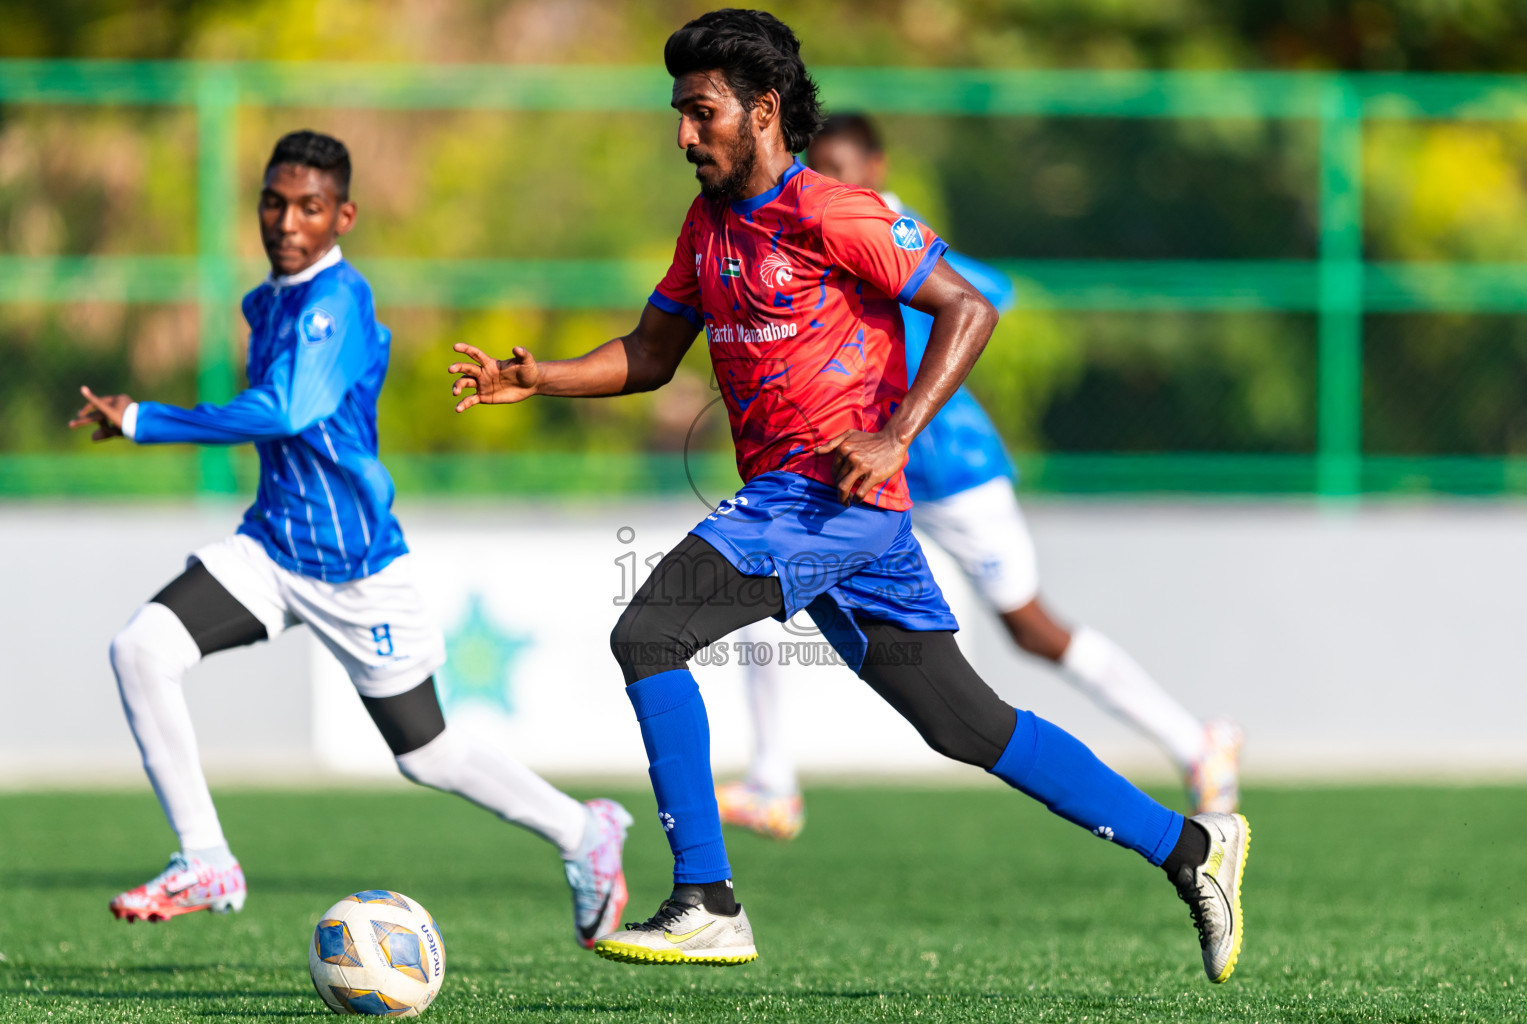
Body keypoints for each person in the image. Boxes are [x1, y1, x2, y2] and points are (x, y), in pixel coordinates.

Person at [447, 10, 1249, 984]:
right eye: (678, 114)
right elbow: (653, 356)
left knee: (650, 633)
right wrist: (542, 379)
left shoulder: (833, 211)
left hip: (825, 502)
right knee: (969, 725)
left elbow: (971, 305)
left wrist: (897, 431)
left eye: (701, 113)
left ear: (765, 110)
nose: (683, 136)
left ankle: (707, 897)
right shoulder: (707, 227)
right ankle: (1193, 848)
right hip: (821, 518)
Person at [70, 130, 631, 950]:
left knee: (426, 753)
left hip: (354, 566)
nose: (287, 221)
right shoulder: (269, 299)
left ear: (344, 216)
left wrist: (145, 419)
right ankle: (206, 861)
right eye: (274, 201)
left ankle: (584, 833)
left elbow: (288, 410)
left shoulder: (338, 301)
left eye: (310, 207)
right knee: (141, 649)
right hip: (269, 548)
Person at [715, 114, 1242, 841]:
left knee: (1030, 627)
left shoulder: (884, 226)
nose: (830, 179)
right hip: (855, 475)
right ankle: (773, 781)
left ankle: (1194, 742)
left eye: (843, 167)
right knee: (761, 588)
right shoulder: (805, 226)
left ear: (878, 168)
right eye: (820, 165)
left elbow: (981, 296)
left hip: (949, 467)